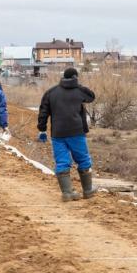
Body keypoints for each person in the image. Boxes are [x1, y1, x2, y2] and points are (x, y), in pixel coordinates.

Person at [37, 67, 96, 201]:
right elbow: (91, 96)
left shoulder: (51, 93)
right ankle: (87, 190)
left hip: (58, 133)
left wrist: (42, 128)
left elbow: (43, 112)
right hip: (76, 132)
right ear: (75, 77)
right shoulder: (79, 91)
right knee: (83, 160)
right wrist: (77, 85)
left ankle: (67, 192)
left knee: (62, 161)